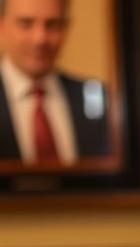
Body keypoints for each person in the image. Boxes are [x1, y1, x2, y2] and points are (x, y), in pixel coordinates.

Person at [0, 0, 111, 165]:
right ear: (2, 25)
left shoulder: (97, 98)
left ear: (67, 27)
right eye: (26, 23)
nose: (40, 39)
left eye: (52, 24)